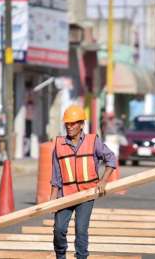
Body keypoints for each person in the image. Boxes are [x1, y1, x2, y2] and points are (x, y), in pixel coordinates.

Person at [51, 105, 117, 259]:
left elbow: (111, 158)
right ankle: (60, 256)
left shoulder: (93, 141)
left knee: (81, 230)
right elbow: (56, 174)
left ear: (81, 124)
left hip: (87, 194)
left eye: (73, 123)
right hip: (65, 194)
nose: (69, 126)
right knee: (59, 230)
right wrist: (52, 197)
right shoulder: (59, 145)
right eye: (67, 123)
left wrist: (103, 181)